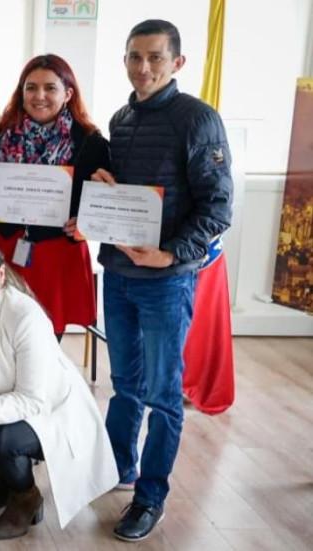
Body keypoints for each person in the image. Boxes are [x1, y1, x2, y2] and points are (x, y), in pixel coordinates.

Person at [94, 19, 232, 541]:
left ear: (177, 62)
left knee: (163, 393)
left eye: (155, 57)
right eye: (134, 57)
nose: (143, 67)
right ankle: (118, 469)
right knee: (124, 386)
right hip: (118, 275)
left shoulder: (199, 119)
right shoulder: (121, 118)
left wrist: (170, 253)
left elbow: (218, 208)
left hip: (166, 281)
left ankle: (150, 497)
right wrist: (102, 185)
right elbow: (123, 197)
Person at [0, 234, 117, 540]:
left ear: (1, 274)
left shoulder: (25, 316)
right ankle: (9, 476)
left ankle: (27, 496)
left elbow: (33, 400)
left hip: (52, 413)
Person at [0, 54, 110, 339]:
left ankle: (38, 386)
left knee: (45, 337)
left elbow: (104, 206)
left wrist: (86, 222)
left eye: (50, 88)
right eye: (31, 87)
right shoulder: (2, 134)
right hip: (6, 248)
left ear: (68, 93)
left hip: (57, 253)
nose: (39, 95)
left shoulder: (90, 141)